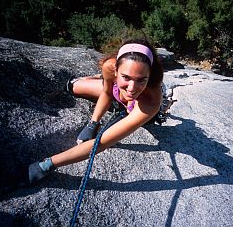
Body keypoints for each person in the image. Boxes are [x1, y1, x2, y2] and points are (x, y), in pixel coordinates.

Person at [28, 38, 165, 183]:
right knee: (72, 86)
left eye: (141, 79)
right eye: (126, 77)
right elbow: (107, 93)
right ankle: (97, 80)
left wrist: (47, 165)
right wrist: (93, 122)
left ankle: (131, 97)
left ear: (149, 77)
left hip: (139, 108)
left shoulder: (151, 101)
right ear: (116, 70)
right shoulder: (109, 66)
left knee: (128, 107)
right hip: (116, 93)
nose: (131, 88)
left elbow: (102, 142)